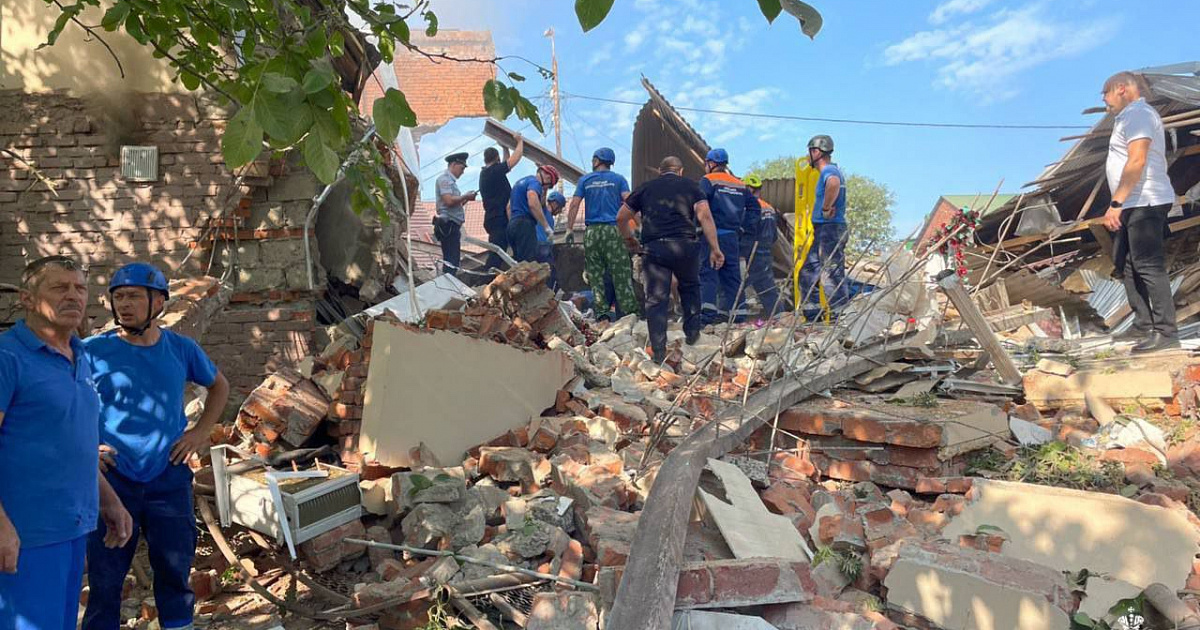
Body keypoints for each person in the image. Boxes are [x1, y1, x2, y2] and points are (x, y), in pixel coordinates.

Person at [80, 263, 230, 630]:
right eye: (118, 297)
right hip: (112, 480)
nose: (124, 305)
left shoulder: (181, 349)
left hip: (168, 476)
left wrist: (198, 433)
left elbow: (219, 387)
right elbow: (67, 405)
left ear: (159, 302)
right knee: (105, 579)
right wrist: (85, 449)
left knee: (175, 570)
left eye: (133, 296)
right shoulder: (91, 352)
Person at [0, 255, 132, 630]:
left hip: (74, 527)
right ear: (27, 298)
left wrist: (109, 500)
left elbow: (74, 442)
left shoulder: (81, 356)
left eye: (79, 288)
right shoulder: (7, 358)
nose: (73, 296)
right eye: (59, 287)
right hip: (26, 534)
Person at [618, 156, 724, 361]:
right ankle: (692, 334)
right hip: (686, 246)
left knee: (656, 299)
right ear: (681, 171)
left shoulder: (645, 188)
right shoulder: (692, 186)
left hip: (654, 248)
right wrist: (715, 248)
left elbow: (621, 217)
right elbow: (705, 216)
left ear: (660, 170)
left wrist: (629, 238)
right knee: (691, 288)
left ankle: (658, 350)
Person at [1102, 72, 1179, 352]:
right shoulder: (1129, 116)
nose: (1104, 100)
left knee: (1148, 264)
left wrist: (1116, 203)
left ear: (1121, 89)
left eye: (1106, 93)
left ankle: (1167, 332)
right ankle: (1143, 324)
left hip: (1144, 199)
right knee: (1126, 264)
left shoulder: (1138, 113)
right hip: (1134, 202)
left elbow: (1137, 159)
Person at [566, 148, 638, 321]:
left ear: (597, 160)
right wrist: (640, 226)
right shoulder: (618, 179)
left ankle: (602, 315)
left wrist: (569, 228)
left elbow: (574, 204)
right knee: (621, 273)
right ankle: (627, 315)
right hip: (613, 231)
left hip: (592, 233)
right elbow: (630, 201)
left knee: (595, 275)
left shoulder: (585, 180)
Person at [698, 148, 757, 324]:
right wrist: (744, 228)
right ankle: (738, 316)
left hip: (711, 235)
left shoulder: (707, 181)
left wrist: (695, 227)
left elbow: (700, 206)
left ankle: (707, 316)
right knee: (732, 276)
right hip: (732, 237)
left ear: (711, 163)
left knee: (708, 274)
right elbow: (755, 208)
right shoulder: (738, 183)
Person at [798, 135, 851, 310]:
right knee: (808, 273)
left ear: (816, 152)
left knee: (831, 274)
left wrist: (826, 207)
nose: (808, 157)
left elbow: (833, 184)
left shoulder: (829, 171)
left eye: (810, 152)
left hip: (829, 229)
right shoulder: (831, 170)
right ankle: (813, 316)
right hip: (825, 230)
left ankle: (840, 317)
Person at [478, 135, 525, 271]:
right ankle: (484, 280)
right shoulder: (493, 172)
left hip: (494, 218)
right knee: (497, 253)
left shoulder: (489, 172)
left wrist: (505, 146)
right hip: (498, 219)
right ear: (496, 159)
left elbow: (506, 164)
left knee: (500, 251)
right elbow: (513, 160)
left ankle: (488, 276)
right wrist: (519, 142)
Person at [742, 174, 782, 317]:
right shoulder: (769, 208)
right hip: (765, 250)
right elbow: (774, 235)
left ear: (749, 189)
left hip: (752, 250)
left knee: (739, 284)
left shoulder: (750, 208)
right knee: (765, 285)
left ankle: (735, 315)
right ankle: (777, 314)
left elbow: (747, 230)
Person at [434, 152, 478, 277]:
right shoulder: (445, 180)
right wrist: (465, 196)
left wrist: (465, 199)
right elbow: (448, 201)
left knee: (453, 260)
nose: (463, 172)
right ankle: (448, 290)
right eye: (462, 168)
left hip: (452, 225)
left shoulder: (450, 182)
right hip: (448, 225)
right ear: (453, 164)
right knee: (451, 262)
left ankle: (449, 287)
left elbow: (453, 205)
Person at [507, 164, 559, 263]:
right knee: (528, 265)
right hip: (525, 225)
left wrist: (515, 224)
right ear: (548, 177)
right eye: (550, 185)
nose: (545, 188)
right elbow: (533, 202)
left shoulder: (520, 183)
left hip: (512, 226)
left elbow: (508, 207)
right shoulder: (535, 183)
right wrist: (546, 227)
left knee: (519, 264)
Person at [539, 191, 567, 291]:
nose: (559, 211)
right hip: (542, 246)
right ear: (555, 203)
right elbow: (541, 199)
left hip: (546, 246)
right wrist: (545, 187)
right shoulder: (543, 211)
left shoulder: (550, 218)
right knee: (550, 275)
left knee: (553, 275)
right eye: (560, 207)